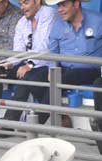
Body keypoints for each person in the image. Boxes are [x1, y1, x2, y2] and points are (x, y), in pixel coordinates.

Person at [0, 0, 56, 125]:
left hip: (47, 64)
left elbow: (46, 47)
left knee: (27, 76)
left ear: (38, 1)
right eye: (20, 4)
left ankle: (10, 121)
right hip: (30, 65)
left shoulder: (48, 13)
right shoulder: (22, 22)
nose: (22, 7)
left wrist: (29, 65)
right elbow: (18, 51)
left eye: (26, 3)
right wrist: (9, 63)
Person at [43, 0, 102, 128]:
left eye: (64, 5)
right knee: (37, 75)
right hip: (64, 70)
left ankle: (36, 123)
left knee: (66, 77)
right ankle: (57, 118)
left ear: (76, 4)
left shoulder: (98, 20)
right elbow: (53, 51)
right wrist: (51, 69)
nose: (59, 9)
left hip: (92, 71)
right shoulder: (58, 24)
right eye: (58, 5)